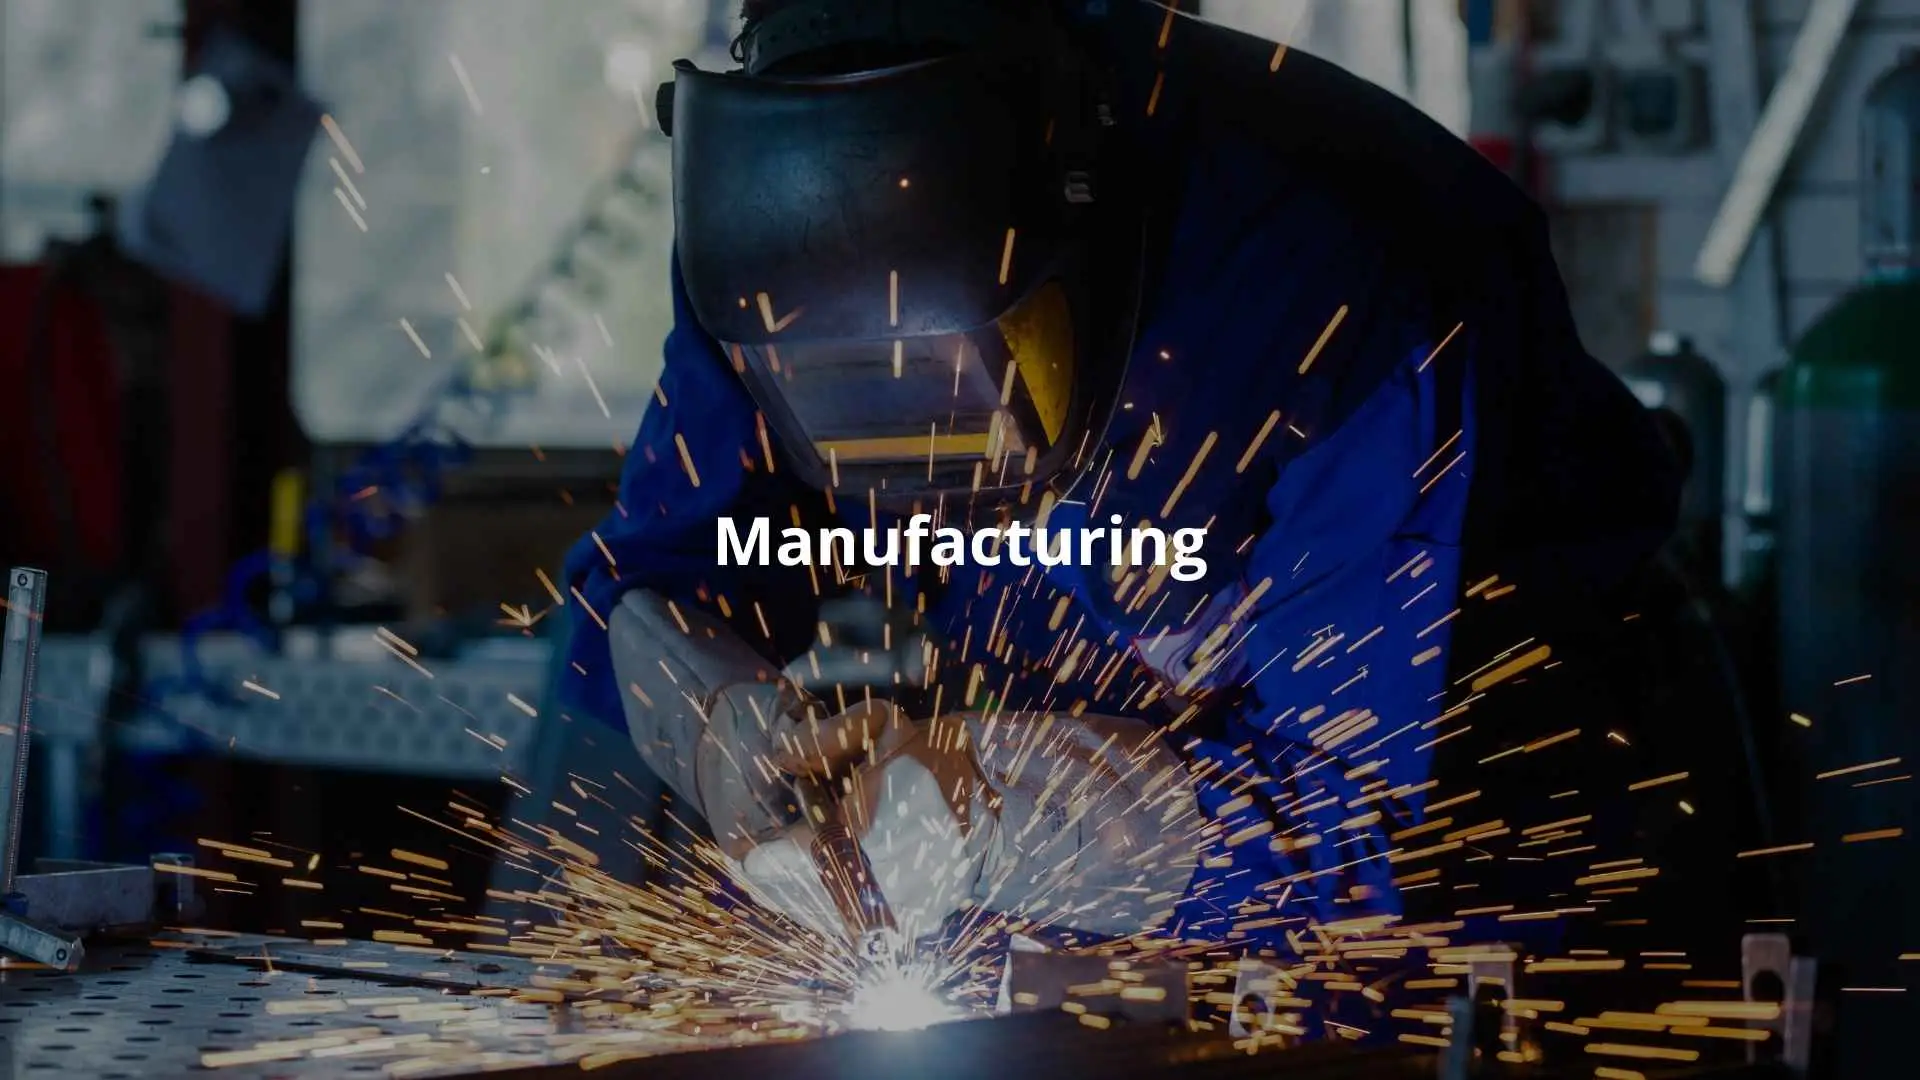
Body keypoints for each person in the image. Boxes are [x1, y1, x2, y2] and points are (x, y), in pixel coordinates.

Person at [561, 0, 1685, 1012]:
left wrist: (1006, 811)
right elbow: (655, 581)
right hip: (1080, 905)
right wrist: (724, 736)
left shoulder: (1346, 278)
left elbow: (1356, 825)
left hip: (1473, 902)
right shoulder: (769, 238)